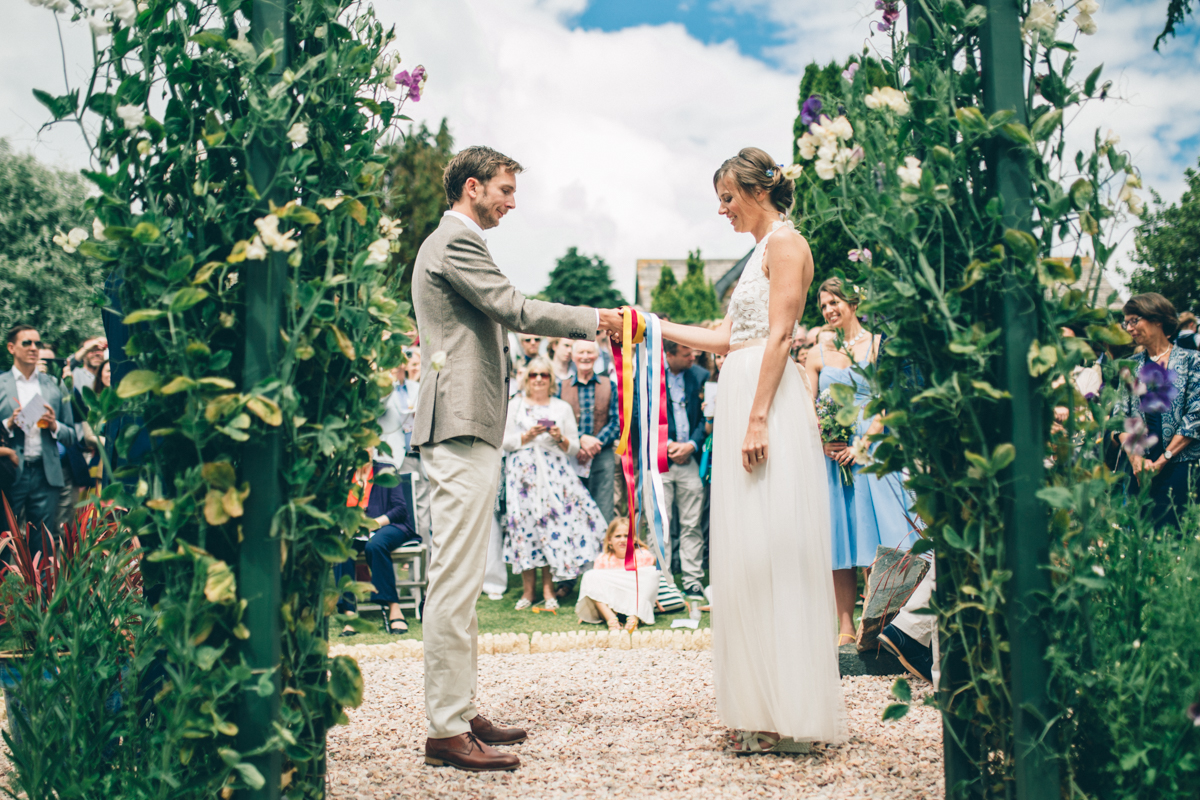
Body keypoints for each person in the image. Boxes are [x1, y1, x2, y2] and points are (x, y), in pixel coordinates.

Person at [410, 145, 623, 772]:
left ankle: (461, 706)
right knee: (454, 576)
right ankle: (446, 728)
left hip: (467, 423)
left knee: (466, 574)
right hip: (457, 423)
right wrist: (595, 320)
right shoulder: (455, 242)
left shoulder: (455, 243)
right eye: (504, 189)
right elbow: (516, 308)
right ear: (472, 187)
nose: (511, 200)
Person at [646, 147, 847, 754]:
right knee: (745, 556)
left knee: (774, 549)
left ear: (759, 192)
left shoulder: (787, 244)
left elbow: (781, 335)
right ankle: (758, 708)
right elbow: (727, 337)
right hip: (741, 395)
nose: (722, 208)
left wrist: (758, 418)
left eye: (728, 197)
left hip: (767, 406)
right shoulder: (758, 252)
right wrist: (651, 325)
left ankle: (790, 710)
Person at [806, 277, 918, 645]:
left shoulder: (878, 345)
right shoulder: (817, 355)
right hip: (833, 457)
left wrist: (863, 445)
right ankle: (845, 625)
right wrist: (824, 440)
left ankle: (879, 618)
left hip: (872, 450)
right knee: (840, 538)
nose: (829, 310)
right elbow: (810, 406)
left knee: (875, 535)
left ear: (853, 302)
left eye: (834, 302)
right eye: (823, 305)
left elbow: (888, 400)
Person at [501, 356, 605, 609]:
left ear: (550, 380)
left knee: (549, 527)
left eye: (544, 375)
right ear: (527, 379)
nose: (538, 379)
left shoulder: (560, 407)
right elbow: (504, 441)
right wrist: (527, 436)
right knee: (525, 529)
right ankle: (528, 592)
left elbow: (574, 447)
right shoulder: (515, 404)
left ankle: (548, 590)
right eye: (533, 375)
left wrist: (559, 437)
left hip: (554, 475)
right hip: (522, 476)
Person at [1115, 293, 1200, 528]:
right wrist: (1136, 460)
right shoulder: (1130, 365)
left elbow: (1196, 416)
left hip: (1180, 465)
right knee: (1137, 537)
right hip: (1139, 467)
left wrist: (1164, 459)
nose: (1129, 328)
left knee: (1174, 538)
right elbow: (1120, 417)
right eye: (1126, 322)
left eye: (1134, 320)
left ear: (1158, 319)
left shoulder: (1192, 361)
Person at [0, 325, 77, 548]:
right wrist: (8, 423)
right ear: (11, 347)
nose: (34, 348)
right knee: (5, 538)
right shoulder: (1, 384)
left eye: (37, 343)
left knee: (43, 543)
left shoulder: (55, 385)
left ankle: (42, 585)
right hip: (10, 471)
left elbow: (71, 435)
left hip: (47, 473)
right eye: (27, 343)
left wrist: (54, 426)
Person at [333, 460, 421, 635]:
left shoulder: (386, 471)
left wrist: (373, 523)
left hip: (390, 526)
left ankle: (394, 607)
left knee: (376, 545)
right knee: (340, 547)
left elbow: (400, 510)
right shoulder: (346, 476)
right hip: (355, 530)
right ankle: (350, 614)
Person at [657, 340, 709, 599]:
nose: (693, 357)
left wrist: (691, 444)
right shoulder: (650, 376)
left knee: (691, 523)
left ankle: (693, 580)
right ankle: (663, 580)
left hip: (690, 459)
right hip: (661, 459)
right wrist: (664, 445)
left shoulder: (701, 376)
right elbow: (638, 416)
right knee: (662, 523)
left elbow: (706, 417)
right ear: (669, 354)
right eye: (687, 354)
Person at [558, 339, 619, 523]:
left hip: (602, 456)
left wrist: (594, 444)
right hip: (572, 457)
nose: (585, 357)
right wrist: (579, 441)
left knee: (603, 510)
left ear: (597, 356)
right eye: (581, 353)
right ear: (573, 357)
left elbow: (617, 422)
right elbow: (557, 422)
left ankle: (603, 550)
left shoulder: (610, 385)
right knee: (573, 510)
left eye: (589, 352)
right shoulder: (561, 387)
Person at [575, 517, 659, 632]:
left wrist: (651, 596)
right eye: (618, 536)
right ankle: (611, 620)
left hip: (634, 599)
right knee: (590, 576)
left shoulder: (643, 556)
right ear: (610, 540)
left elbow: (647, 583)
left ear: (634, 539)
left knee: (652, 572)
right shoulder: (603, 559)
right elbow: (597, 588)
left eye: (627, 536)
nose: (623, 540)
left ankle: (634, 618)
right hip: (611, 603)